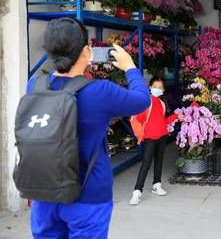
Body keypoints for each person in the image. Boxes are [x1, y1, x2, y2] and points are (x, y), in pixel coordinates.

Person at [28, 18, 150, 238]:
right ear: (86, 50)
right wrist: (130, 67)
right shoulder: (99, 91)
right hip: (88, 194)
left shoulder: (34, 86)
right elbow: (142, 100)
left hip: (43, 192)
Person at [129, 77, 180, 205]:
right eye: (155, 86)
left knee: (159, 161)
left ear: (163, 90)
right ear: (150, 87)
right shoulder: (146, 101)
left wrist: (176, 116)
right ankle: (137, 191)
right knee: (146, 163)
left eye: (160, 87)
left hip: (162, 136)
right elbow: (137, 118)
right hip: (149, 139)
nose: (157, 89)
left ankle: (156, 185)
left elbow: (163, 121)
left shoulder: (162, 104)